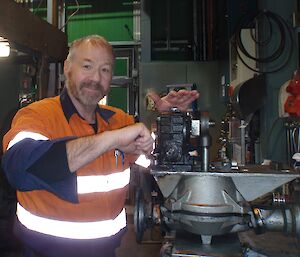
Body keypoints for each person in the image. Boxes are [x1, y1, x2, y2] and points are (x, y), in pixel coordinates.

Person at [1, 35, 199, 257]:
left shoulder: (119, 120)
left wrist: (169, 120)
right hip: (44, 252)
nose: (96, 78)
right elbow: (18, 169)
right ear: (67, 68)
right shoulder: (37, 116)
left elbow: (152, 157)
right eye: (87, 66)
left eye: (105, 70)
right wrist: (111, 139)